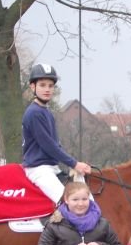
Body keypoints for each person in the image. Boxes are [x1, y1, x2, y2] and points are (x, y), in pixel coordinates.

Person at [22, 63, 92, 205]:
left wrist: (73, 164)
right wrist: (74, 163)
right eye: (42, 85)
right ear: (32, 87)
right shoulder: (34, 113)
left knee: (86, 197)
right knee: (71, 202)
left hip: (52, 168)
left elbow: (56, 144)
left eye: (50, 86)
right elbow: (49, 146)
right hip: (39, 169)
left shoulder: (46, 111)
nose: (47, 89)